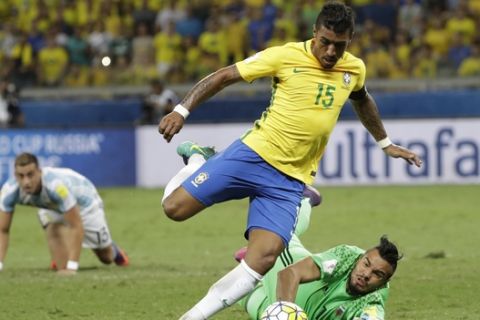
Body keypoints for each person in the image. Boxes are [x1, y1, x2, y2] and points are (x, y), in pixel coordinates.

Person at [159, 2, 422, 319]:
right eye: (325, 42)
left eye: (339, 46)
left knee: (262, 259)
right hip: (252, 156)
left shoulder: (353, 69)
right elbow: (224, 76)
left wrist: (386, 143)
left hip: (288, 182)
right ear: (315, 32)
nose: (330, 52)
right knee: (174, 209)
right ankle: (197, 162)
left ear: (350, 40)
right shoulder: (283, 56)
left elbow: (362, 100)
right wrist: (181, 110)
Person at [235, 196, 400, 320]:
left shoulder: (371, 304)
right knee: (279, 235)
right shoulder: (347, 257)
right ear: (360, 259)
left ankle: (250, 259)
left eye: (377, 274)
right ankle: (306, 199)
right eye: (366, 264)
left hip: (297, 309)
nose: (366, 274)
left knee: (243, 294)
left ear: (383, 284)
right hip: (290, 263)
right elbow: (289, 274)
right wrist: (286, 313)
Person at [0, 153, 129, 275]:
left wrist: (72, 268)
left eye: (30, 175)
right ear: (15, 175)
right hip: (51, 206)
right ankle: (61, 259)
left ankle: (116, 252)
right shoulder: (9, 191)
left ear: (39, 172)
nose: (26, 182)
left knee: (105, 257)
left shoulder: (56, 187)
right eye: (21, 176)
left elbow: (76, 225)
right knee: (56, 242)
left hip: (84, 203)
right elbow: (3, 230)